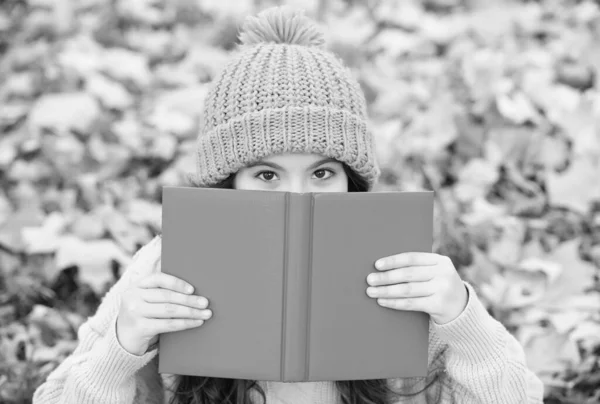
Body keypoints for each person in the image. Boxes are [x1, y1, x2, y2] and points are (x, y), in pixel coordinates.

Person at [33, 6, 544, 404]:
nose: (297, 197)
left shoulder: (402, 276)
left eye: (322, 172)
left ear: (353, 183)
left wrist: (465, 321)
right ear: (227, 183)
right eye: (267, 174)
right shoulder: (165, 267)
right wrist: (120, 348)